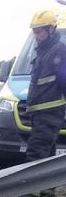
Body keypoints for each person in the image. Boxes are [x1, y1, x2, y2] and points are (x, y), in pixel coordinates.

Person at [25, 10, 66, 161]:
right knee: (46, 154)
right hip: (40, 112)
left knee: (35, 154)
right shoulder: (44, 50)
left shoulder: (58, 50)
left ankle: (30, 184)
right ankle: (46, 184)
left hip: (50, 111)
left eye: (39, 32)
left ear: (51, 29)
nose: (36, 36)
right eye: (34, 32)